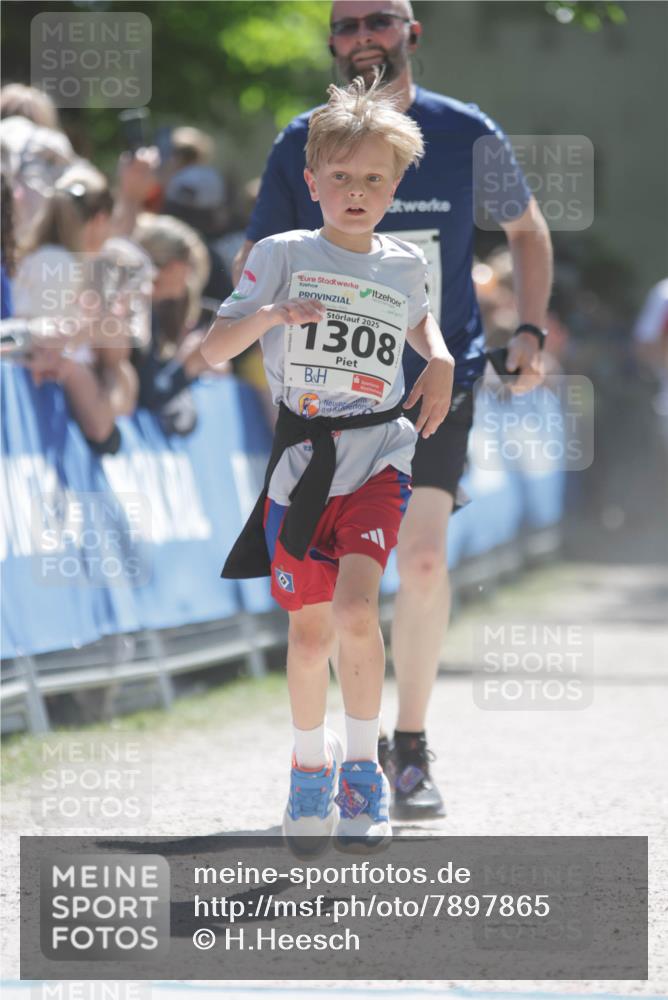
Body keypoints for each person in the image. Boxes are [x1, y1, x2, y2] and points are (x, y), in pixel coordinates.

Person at [234, 0, 553, 820]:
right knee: (330, 605)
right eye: (347, 25)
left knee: (419, 563)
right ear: (334, 43)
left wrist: (529, 329)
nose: (364, 35)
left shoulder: (463, 130)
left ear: (413, 32)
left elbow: (527, 231)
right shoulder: (299, 141)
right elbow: (255, 257)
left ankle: (403, 747)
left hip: (434, 384)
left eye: (381, 18)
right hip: (326, 403)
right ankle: (339, 749)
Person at [203, 73, 454, 852]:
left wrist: (439, 357)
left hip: (380, 455)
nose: (355, 191)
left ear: (395, 186)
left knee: (355, 611)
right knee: (310, 637)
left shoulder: (405, 262)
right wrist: (274, 315)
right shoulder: (282, 253)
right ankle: (307, 768)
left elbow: (422, 324)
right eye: (340, 177)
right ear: (311, 182)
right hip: (301, 465)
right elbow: (212, 349)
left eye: (373, 179)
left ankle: (362, 775)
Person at [12, 162, 138, 453]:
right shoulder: (56, 263)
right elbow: (44, 346)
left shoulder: (68, 263)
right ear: (99, 220)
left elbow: (121, 384)